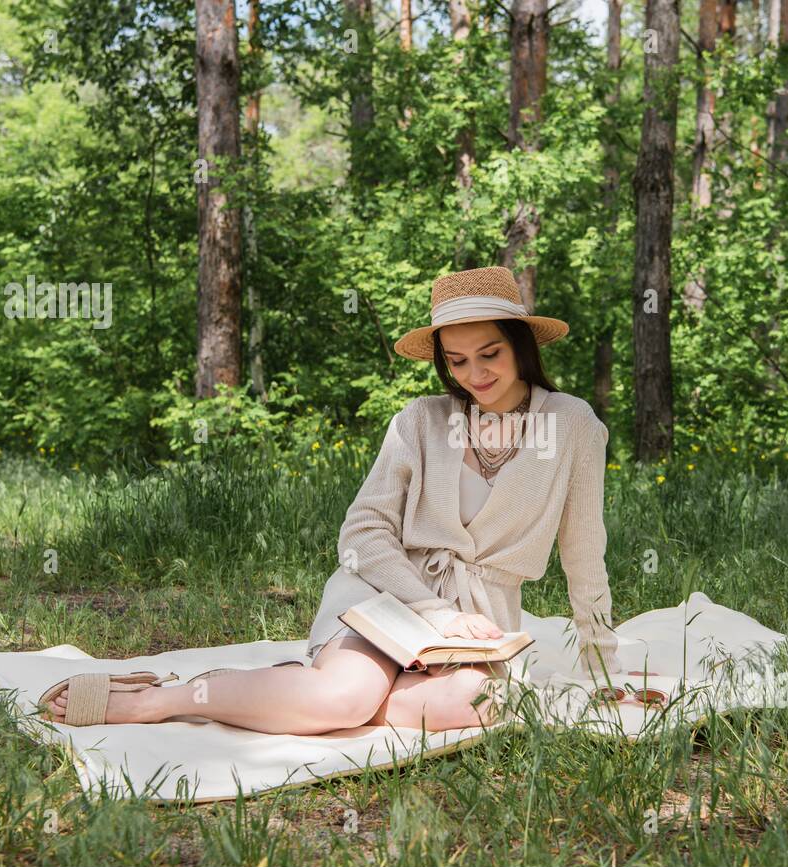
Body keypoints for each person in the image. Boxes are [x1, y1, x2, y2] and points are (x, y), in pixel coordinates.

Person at [45, 266, 624, 734]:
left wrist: (601, 666)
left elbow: (583, 549)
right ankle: (162, 700)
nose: (474, 373)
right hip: (386, 595)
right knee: (348, 699)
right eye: (456, 360)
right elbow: (364, 533)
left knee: (466, 707)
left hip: (478, 626)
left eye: (489, 354)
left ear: (520, 344)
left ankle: (296, 694)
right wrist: (433, 611)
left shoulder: (572, 424)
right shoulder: (420, 421)